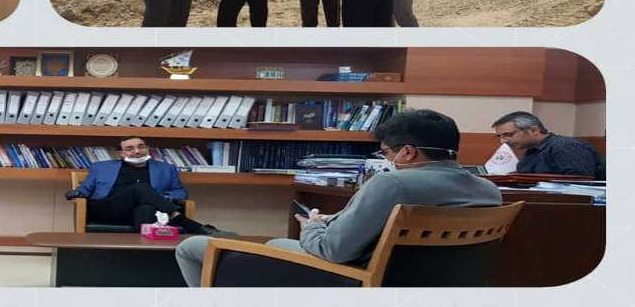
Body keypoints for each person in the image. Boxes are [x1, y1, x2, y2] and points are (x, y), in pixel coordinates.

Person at [175, 109, 502, 286]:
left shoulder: (393, 183)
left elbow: (334, 251)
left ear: (407, 151)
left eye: (387, 152)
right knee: (276, 243)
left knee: (192, 248)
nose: (387, 159)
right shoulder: (487, 189)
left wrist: (313, 225)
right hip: (427, 281)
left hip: (359, 279)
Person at [65, 136, 221, 235]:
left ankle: (142, 257)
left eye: (141, 147)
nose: (137, 151)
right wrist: (77, 192)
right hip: (107, 209)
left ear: (147, 149)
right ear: (121, 153)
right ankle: (186, 222)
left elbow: (181, 193)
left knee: (146, 207)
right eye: (130, 149)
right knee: (140, 188)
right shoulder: (101, 167)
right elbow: (86, 189)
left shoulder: (166, 169)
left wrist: (158, 198)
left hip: (145, 212)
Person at [492, 111, 604, 179]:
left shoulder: (566, 146)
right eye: (500, 136)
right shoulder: (531, 151)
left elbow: (580, 182)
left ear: (534, 130)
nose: (503, 141)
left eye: (508, 135)